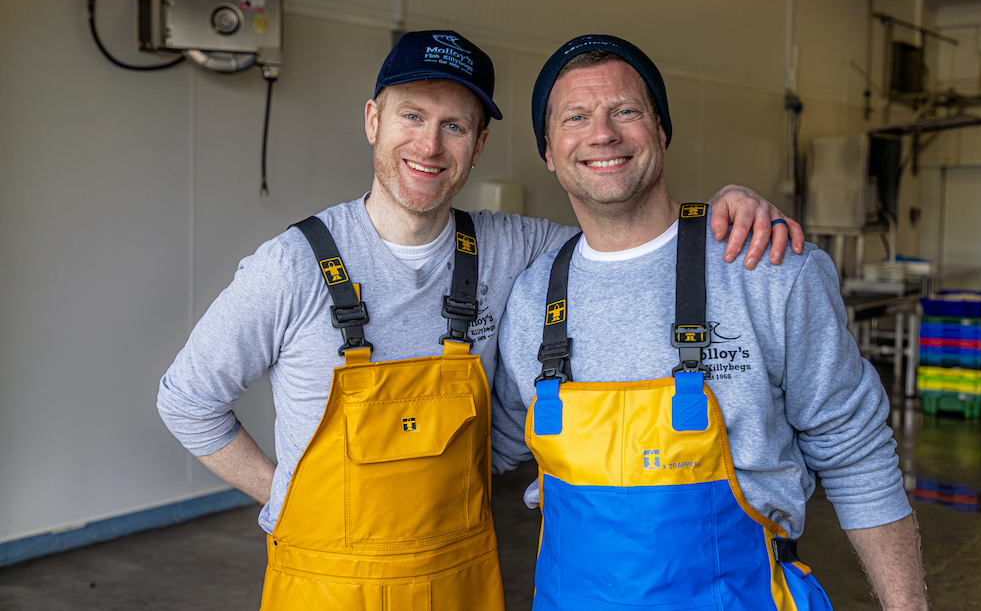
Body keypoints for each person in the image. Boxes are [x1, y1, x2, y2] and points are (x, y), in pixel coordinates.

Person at [157, 30, 803, 611]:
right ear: (372, 120)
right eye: (411, 116)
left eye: (455, 126)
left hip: (460, 579)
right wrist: (285, 494)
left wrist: (722, 208)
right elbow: (187, 400)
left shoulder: (513, 250)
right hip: (324, 584)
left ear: (480, 143)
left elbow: (626, 233)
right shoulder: (290, 266)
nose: (429, 145)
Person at [492, 34, 928, 611]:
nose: (603, 133)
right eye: (576, 116)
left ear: (662, 131)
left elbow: (857, 454)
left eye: (626, 111)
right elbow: (480, 452)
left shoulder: (764, 268)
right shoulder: (530, 296)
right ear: (549, 150)